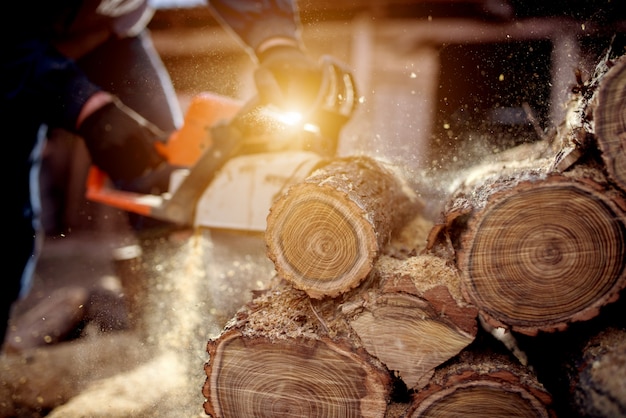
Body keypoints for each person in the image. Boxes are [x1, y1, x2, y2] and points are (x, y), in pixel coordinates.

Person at [1, 0, 347, 351]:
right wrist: (86, 108)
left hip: (108, 38)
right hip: (14, 47)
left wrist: (275, 41)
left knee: (170, 184)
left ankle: (173, 345)